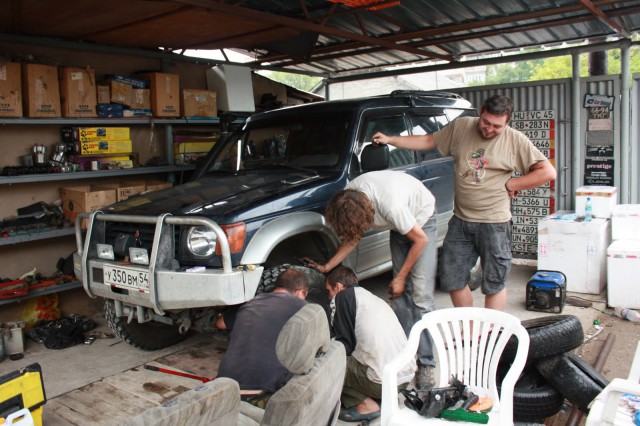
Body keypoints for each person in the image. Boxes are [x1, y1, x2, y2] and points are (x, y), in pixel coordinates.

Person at [372, 94, 557, 311]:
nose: (488, 129)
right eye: (485, 122)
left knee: (494, 283)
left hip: (494, 223)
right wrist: (391, 139)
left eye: (496, 126)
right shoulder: (461, 127)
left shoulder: (515, 140)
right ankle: (469, 330)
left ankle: (490, 334)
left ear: (507, 123)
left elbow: (547, 172)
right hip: (460, 221)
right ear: (480, 113)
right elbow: (428, 140)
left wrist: (512, 185)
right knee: (452, 279)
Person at [304, 169, 438, 391]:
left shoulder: (391, 206)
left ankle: (426, 363)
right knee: (400, 297)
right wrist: (327, 266)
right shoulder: (347, 198)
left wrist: (402, 276)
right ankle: (403, 357)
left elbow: (420, 241)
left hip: (421, 221)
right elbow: (353, 236)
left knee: (421, 296)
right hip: (398, 225)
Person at [326, 265, 416, 423]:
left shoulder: (342, 297)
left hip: (382, 383)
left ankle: (366, 404)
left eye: (329, 291)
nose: (329, 296)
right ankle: (376, 397)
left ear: (339, 287)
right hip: (403, 379)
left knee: (329, 362)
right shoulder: (370, 297)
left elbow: (343, 347)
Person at [215, 268, 309, 407]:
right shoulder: (304, 308)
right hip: (264, 393)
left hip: (224, 385)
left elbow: (220, 323)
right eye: (305, 295)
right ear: (301, 291)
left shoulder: (251, 302)